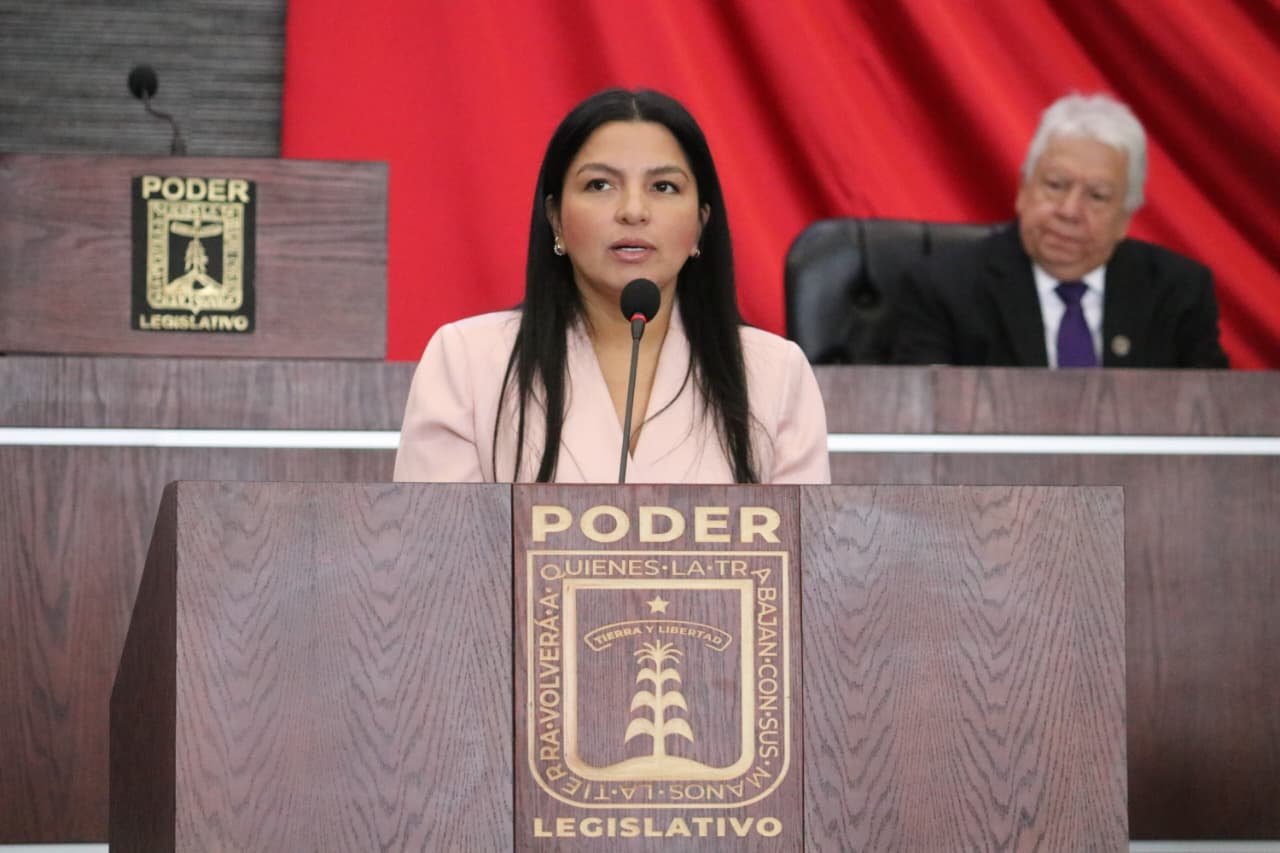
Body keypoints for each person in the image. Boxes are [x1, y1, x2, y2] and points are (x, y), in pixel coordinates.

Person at [394, 88, 830, 483]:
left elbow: (802, 545)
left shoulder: (774, 374)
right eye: (600, 184)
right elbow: (441, 543)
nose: (633, 210)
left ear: (701, 223)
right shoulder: (467, 363)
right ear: (555, 219)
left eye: (664, 186)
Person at [892, 93, 1229, 368]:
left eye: (1097, 196)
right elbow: (923, 416)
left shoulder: (1178, 292)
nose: (1069, 211)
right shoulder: (943, 288)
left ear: (1125, 218)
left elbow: (1210, 417)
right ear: (1023, 191)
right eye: (1055, 185)